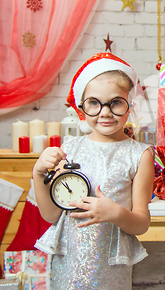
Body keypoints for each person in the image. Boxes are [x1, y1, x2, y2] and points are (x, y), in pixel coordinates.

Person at [33, 53, 154, 290]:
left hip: (111, 268)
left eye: (116, 102)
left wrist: (116, 213)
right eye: (94, 103)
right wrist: (38, 175)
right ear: (82, 107)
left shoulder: (139, 155)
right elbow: (51, 216)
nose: (105, 112)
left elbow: (141, 223)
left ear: (131, 105)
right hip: (67, 263)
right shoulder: (69, 149)